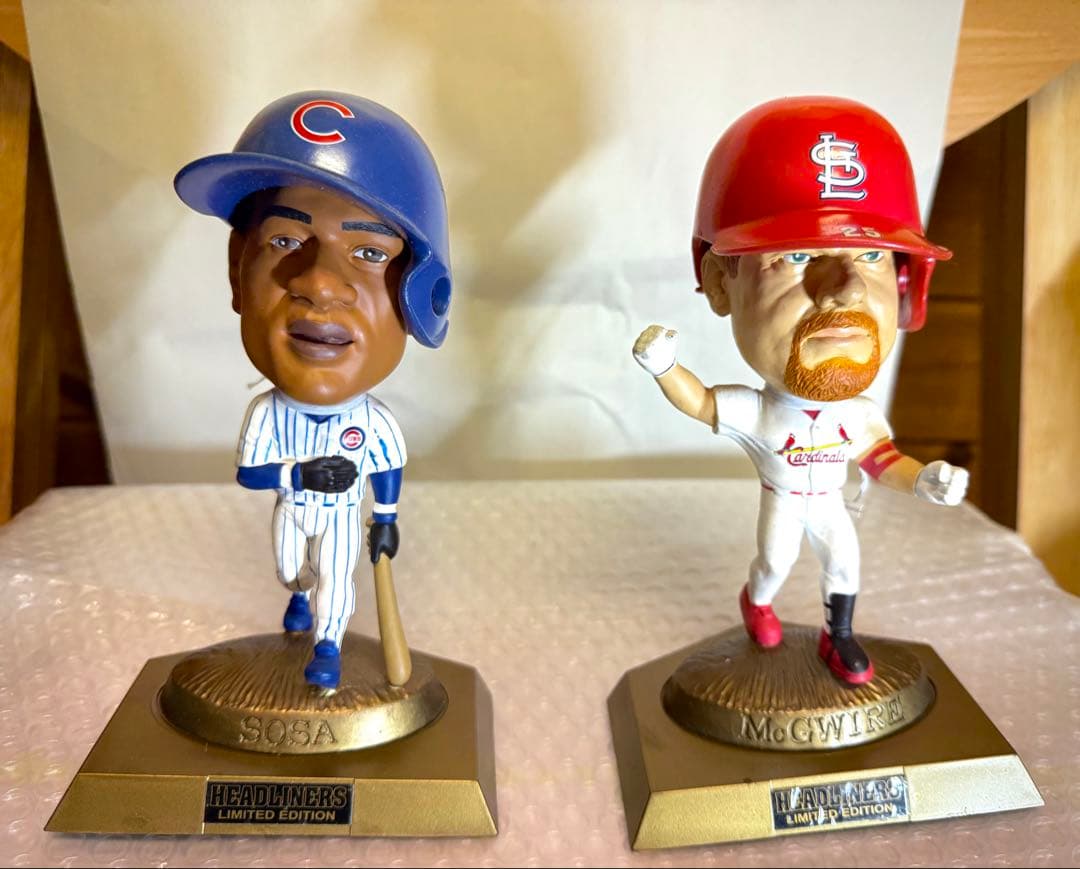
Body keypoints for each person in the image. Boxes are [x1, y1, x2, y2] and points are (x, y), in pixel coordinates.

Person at [633, 96, 968, 685]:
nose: (846, 290)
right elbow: (702, 402)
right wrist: (665, 368)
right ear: (719, 282)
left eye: (872, 253)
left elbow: (881, 458)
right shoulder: (762, 412)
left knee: (845, 562)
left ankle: (839, 636)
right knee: (774, 563)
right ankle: (757, 603)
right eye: (798, 255)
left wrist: (924, 480)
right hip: (783, 502)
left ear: (904, 281)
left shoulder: (858, 414)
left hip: (829, 502)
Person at [175, 93, 452, 688]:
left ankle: (327, 647)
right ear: (237, 268)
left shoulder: (371, 423)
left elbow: (387, 467)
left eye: (370, 252)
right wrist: (298, 475)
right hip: (292, 507)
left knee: (336, 578)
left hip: (345, 515)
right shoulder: (268, 414)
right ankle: (299, 596)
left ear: (421, 292)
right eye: (284, 241)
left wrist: (386, 518)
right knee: (290, 570)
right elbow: (251, 474)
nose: (320, 282)